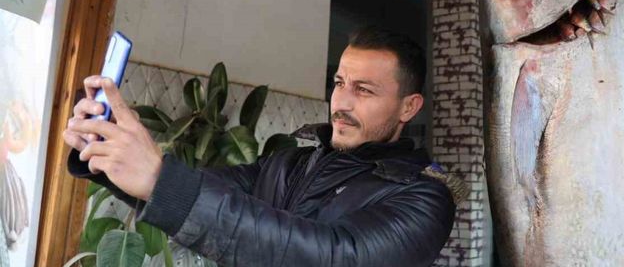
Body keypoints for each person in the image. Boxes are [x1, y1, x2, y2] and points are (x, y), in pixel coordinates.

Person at [63, 27, 458, 267]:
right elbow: (202, 187)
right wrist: (106, 154)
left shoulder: (424, 197)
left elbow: (332, 257)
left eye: (364, 90)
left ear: (409, 106)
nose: (342, 102)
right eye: (339, 83)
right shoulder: (290, 162)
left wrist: (159, 179)